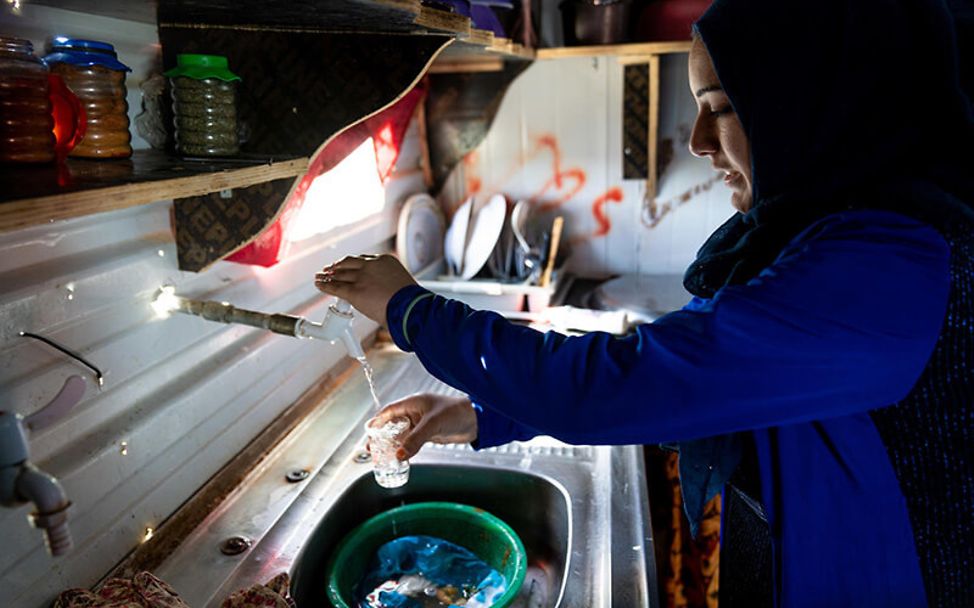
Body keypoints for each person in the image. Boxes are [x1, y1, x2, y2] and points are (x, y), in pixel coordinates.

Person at [315, 0, 974, 605]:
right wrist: (475, 416)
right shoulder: (823, 233)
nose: (699, 143)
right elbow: (692, 382)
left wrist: (410, 310)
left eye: (720, 105)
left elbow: (623, 385)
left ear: (809, 99)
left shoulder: (892, 264)